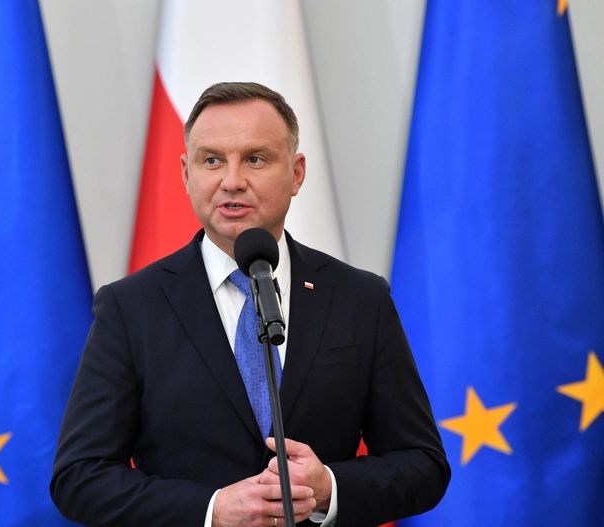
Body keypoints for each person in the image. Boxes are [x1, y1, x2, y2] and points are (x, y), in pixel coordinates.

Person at [51, 82, 449, 527]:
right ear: (186, 174)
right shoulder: (130, 308)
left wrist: (328, 488)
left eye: (255, 159)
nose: (232, 181)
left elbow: (423, 464)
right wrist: (212, 510)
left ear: (296, 173)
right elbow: (79, 477)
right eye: (211, 160)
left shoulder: (359, 299)